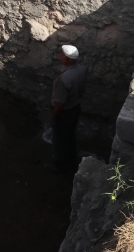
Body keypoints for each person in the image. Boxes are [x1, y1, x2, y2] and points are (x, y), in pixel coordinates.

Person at [45, 45, 87, 173]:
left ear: (67, 59)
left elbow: (60, 104)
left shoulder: (64, 79)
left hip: (65, 113)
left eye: (62, 54)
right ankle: (71, 157)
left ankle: (59, 165)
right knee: (70, 135)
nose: (60, 56)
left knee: (59, 139)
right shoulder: (81, 69)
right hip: (76, 108)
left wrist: (53, 116)